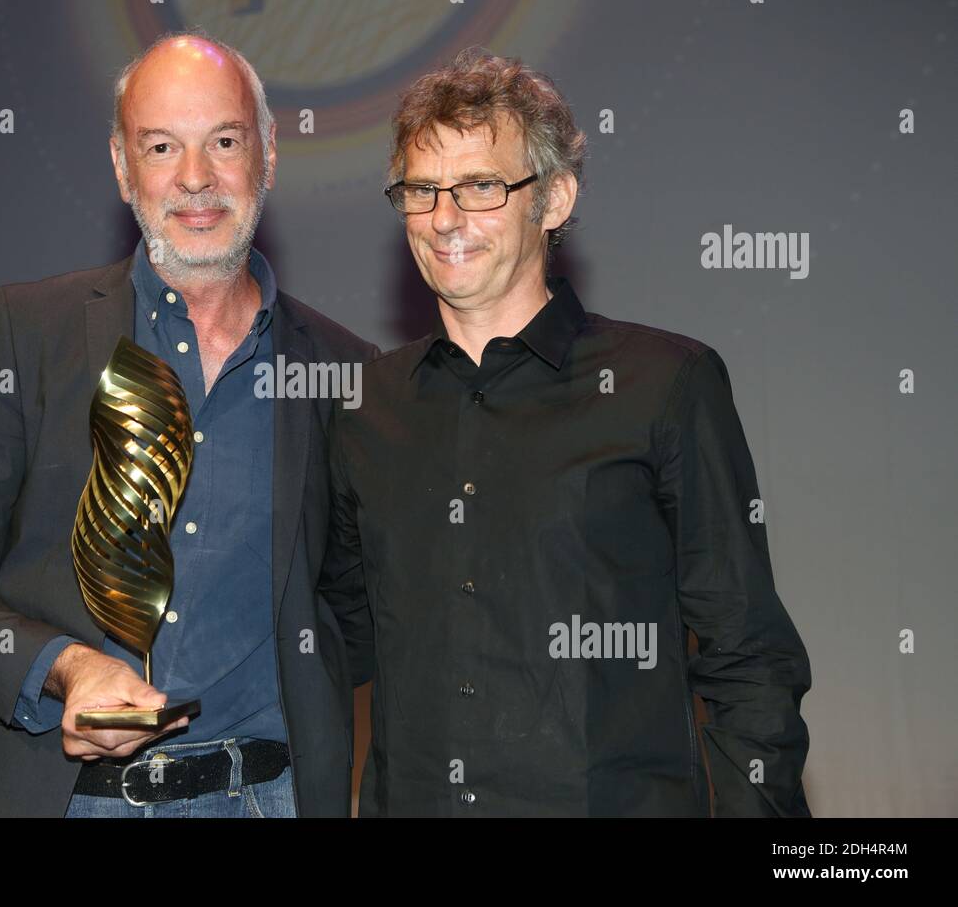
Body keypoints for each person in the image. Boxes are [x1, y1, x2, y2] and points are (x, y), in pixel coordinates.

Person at [0, 31, 376, 817]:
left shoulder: (347, 374)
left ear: (269, 154)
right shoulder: (30, 331)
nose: (196, 180)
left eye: (223, 141)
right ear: (121, 166)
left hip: (264, 799)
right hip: (62, 799)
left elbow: (352, 611)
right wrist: (62, 666)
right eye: (160, 146)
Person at [319, 48, 812, 816]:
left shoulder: (664, 384)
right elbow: (334, 636)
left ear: (552, 200)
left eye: (481, 186)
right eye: (422, 190)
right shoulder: (364, 407)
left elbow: (748, 657)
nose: (446, 218)